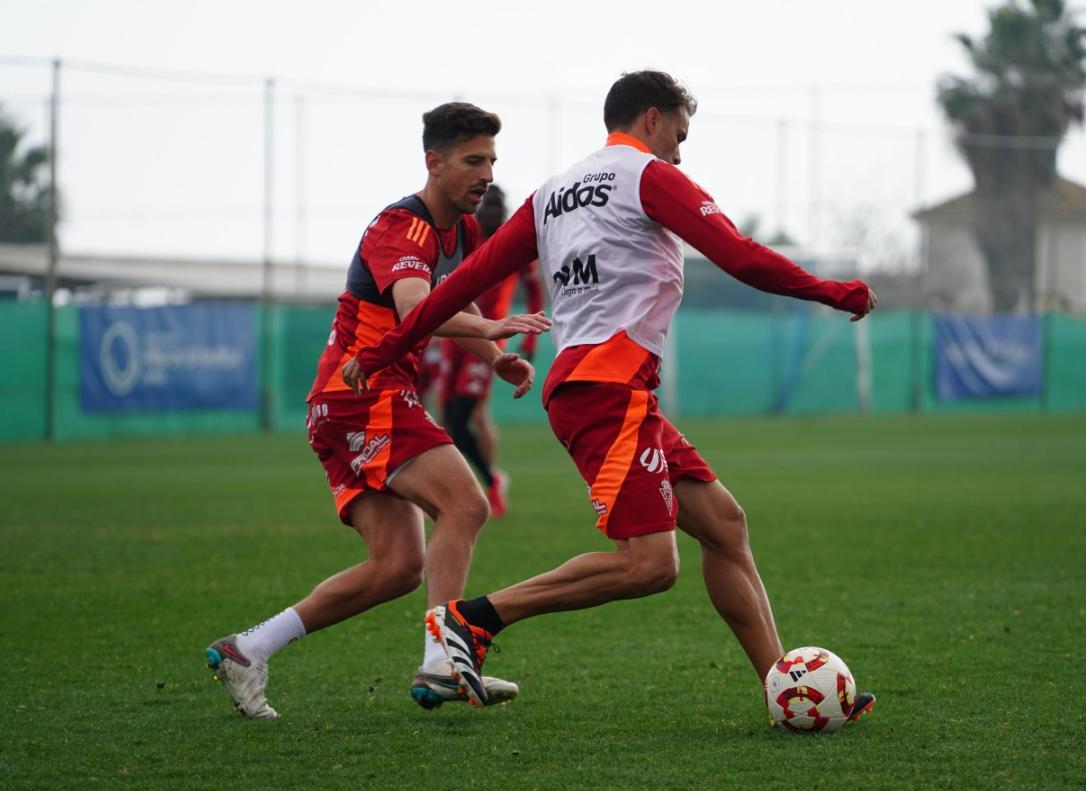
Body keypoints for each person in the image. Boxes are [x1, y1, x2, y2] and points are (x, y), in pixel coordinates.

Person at [343, 71, 878, 719]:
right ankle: (472, 620)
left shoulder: (553, 194)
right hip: (606, 388)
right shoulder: (648, 176)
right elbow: (739, 256)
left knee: (724, 525)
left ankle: (782, 686)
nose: (680, 152)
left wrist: (382, 349)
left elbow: (460, 285)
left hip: (602, 387)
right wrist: (835, 293)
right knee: (651, 564)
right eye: (679, 135)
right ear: (651, 119)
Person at [203, 102, 551, 718]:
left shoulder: (463, 232)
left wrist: (493, 355)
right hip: (361, 394)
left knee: (397, 567)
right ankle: (444, 662)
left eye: (492, 161)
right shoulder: (402, 227)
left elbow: (445, 305)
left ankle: (247, 649)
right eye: (473, 160)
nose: (486, 173)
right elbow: (419, 303)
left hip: (353, 400)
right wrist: (495, 325)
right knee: (465, 503)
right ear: (433, 162)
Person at [438, 184, 544, 516]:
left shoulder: (512, 243)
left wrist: (529, 340)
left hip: (489, 339)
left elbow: (535, 288)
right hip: (456, 336)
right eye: (488, 205)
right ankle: (482, 482)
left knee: (468, 418)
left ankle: (489, 481)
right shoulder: (465, 235)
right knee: (449, 417)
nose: (493, 212)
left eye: (498, 206)